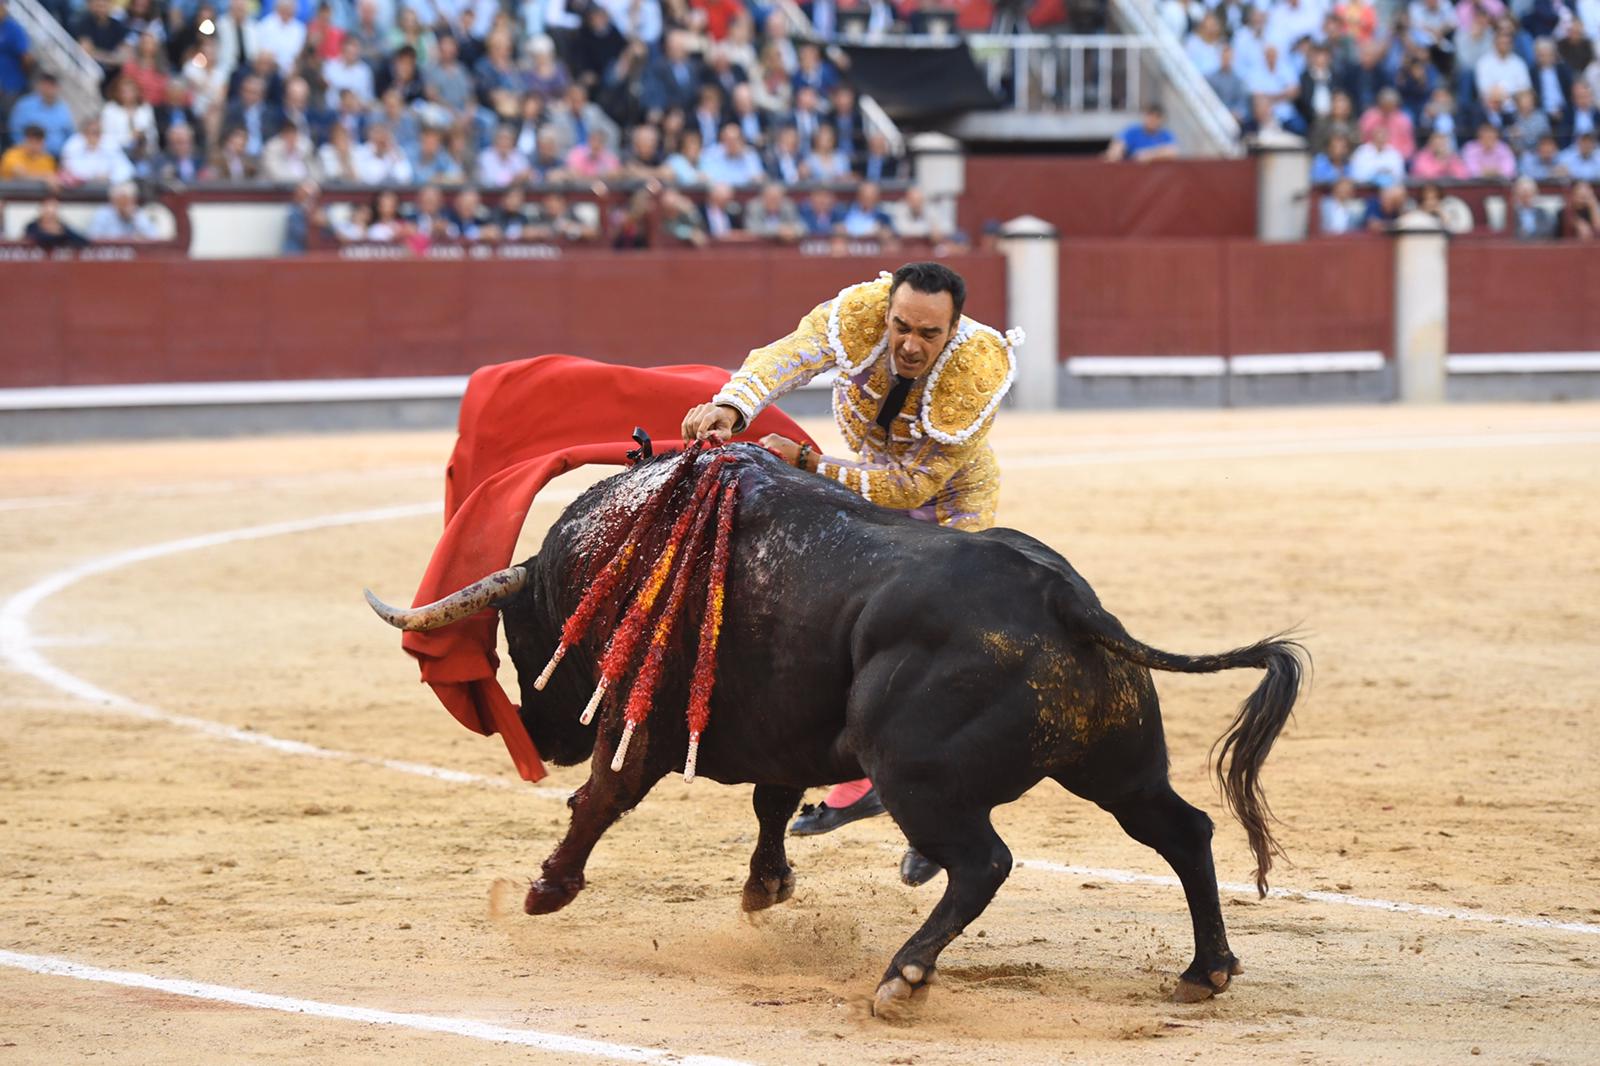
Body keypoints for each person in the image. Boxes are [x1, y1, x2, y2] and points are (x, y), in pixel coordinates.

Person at [680, 262, 1023, 888]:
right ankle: (869, 781)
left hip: (950, 504)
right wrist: (733, 404)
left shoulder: (975, 373)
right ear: (887, 313)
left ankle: (948, 816)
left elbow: (911, 486)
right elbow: (789, 357)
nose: (911, 345)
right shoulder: (859, 315)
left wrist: (812, 463)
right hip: (864, 477)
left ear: (953, 330)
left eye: (929, 333)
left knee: (942, 663)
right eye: (901, 327)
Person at [1105, 103, 1179, 161]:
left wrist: (1147, 156)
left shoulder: (1166, 135)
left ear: (1161, 120)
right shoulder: (1132, 131)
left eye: (1156, 118)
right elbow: (1116, 149)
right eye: (1150, 117)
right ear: (1145, 117)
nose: (1152, 121)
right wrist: (1116, 153)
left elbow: (1172, 152)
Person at [88, 181, 161, 240]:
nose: (123, 205)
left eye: (126, 201)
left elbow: (154, 238)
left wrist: (135, 219)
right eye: (120, 201)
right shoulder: (103, 214)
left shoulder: (138, 214)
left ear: (133, 200)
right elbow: (93, 238)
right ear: (113, 200)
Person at [24, 196, 89, 249]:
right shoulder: (32, 226)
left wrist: (61, 232)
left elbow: (82, 241)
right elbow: (43, 239)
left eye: (54, 207)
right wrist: (56, 233)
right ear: (41, 209)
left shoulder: (62, 227)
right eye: (47, 207)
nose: (50, 211)